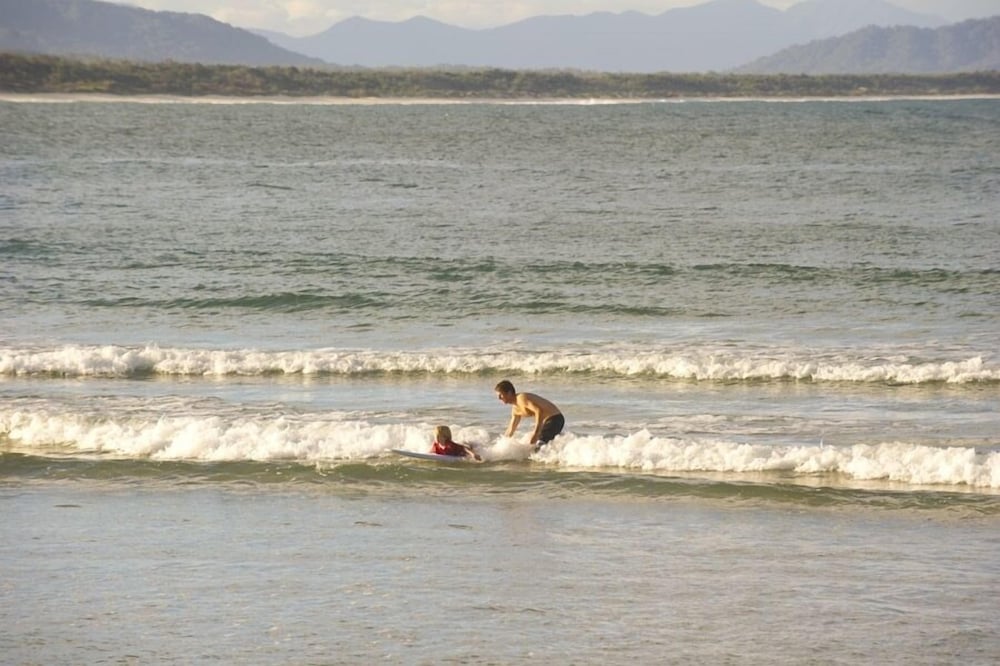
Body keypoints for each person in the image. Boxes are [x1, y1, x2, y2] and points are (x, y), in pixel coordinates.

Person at [494, 380, 564, 449]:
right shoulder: (515, 409)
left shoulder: (521, 398)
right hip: (546, 423)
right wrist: (500, 446)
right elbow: (511, 429)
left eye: (500, 395)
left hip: (555, 419)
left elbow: (539, 411)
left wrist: (536, 433)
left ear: (509, 393)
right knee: (533, 444)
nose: (499, 398)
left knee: (538, 443)